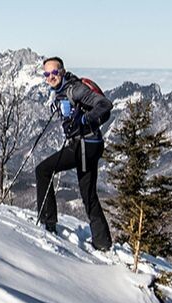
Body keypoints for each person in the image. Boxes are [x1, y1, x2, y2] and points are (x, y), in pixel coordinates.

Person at [32, 56, 114, 251]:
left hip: (84, 145)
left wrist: (85, 119)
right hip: (89, 145)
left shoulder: (75, 89)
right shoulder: (60, 91)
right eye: (47, 74)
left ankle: (47, 221)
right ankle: (102, 242)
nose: (51, 77)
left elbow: (105, 104)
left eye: (54, 72)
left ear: (62, 71)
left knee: (43, 170)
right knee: (88, 194)